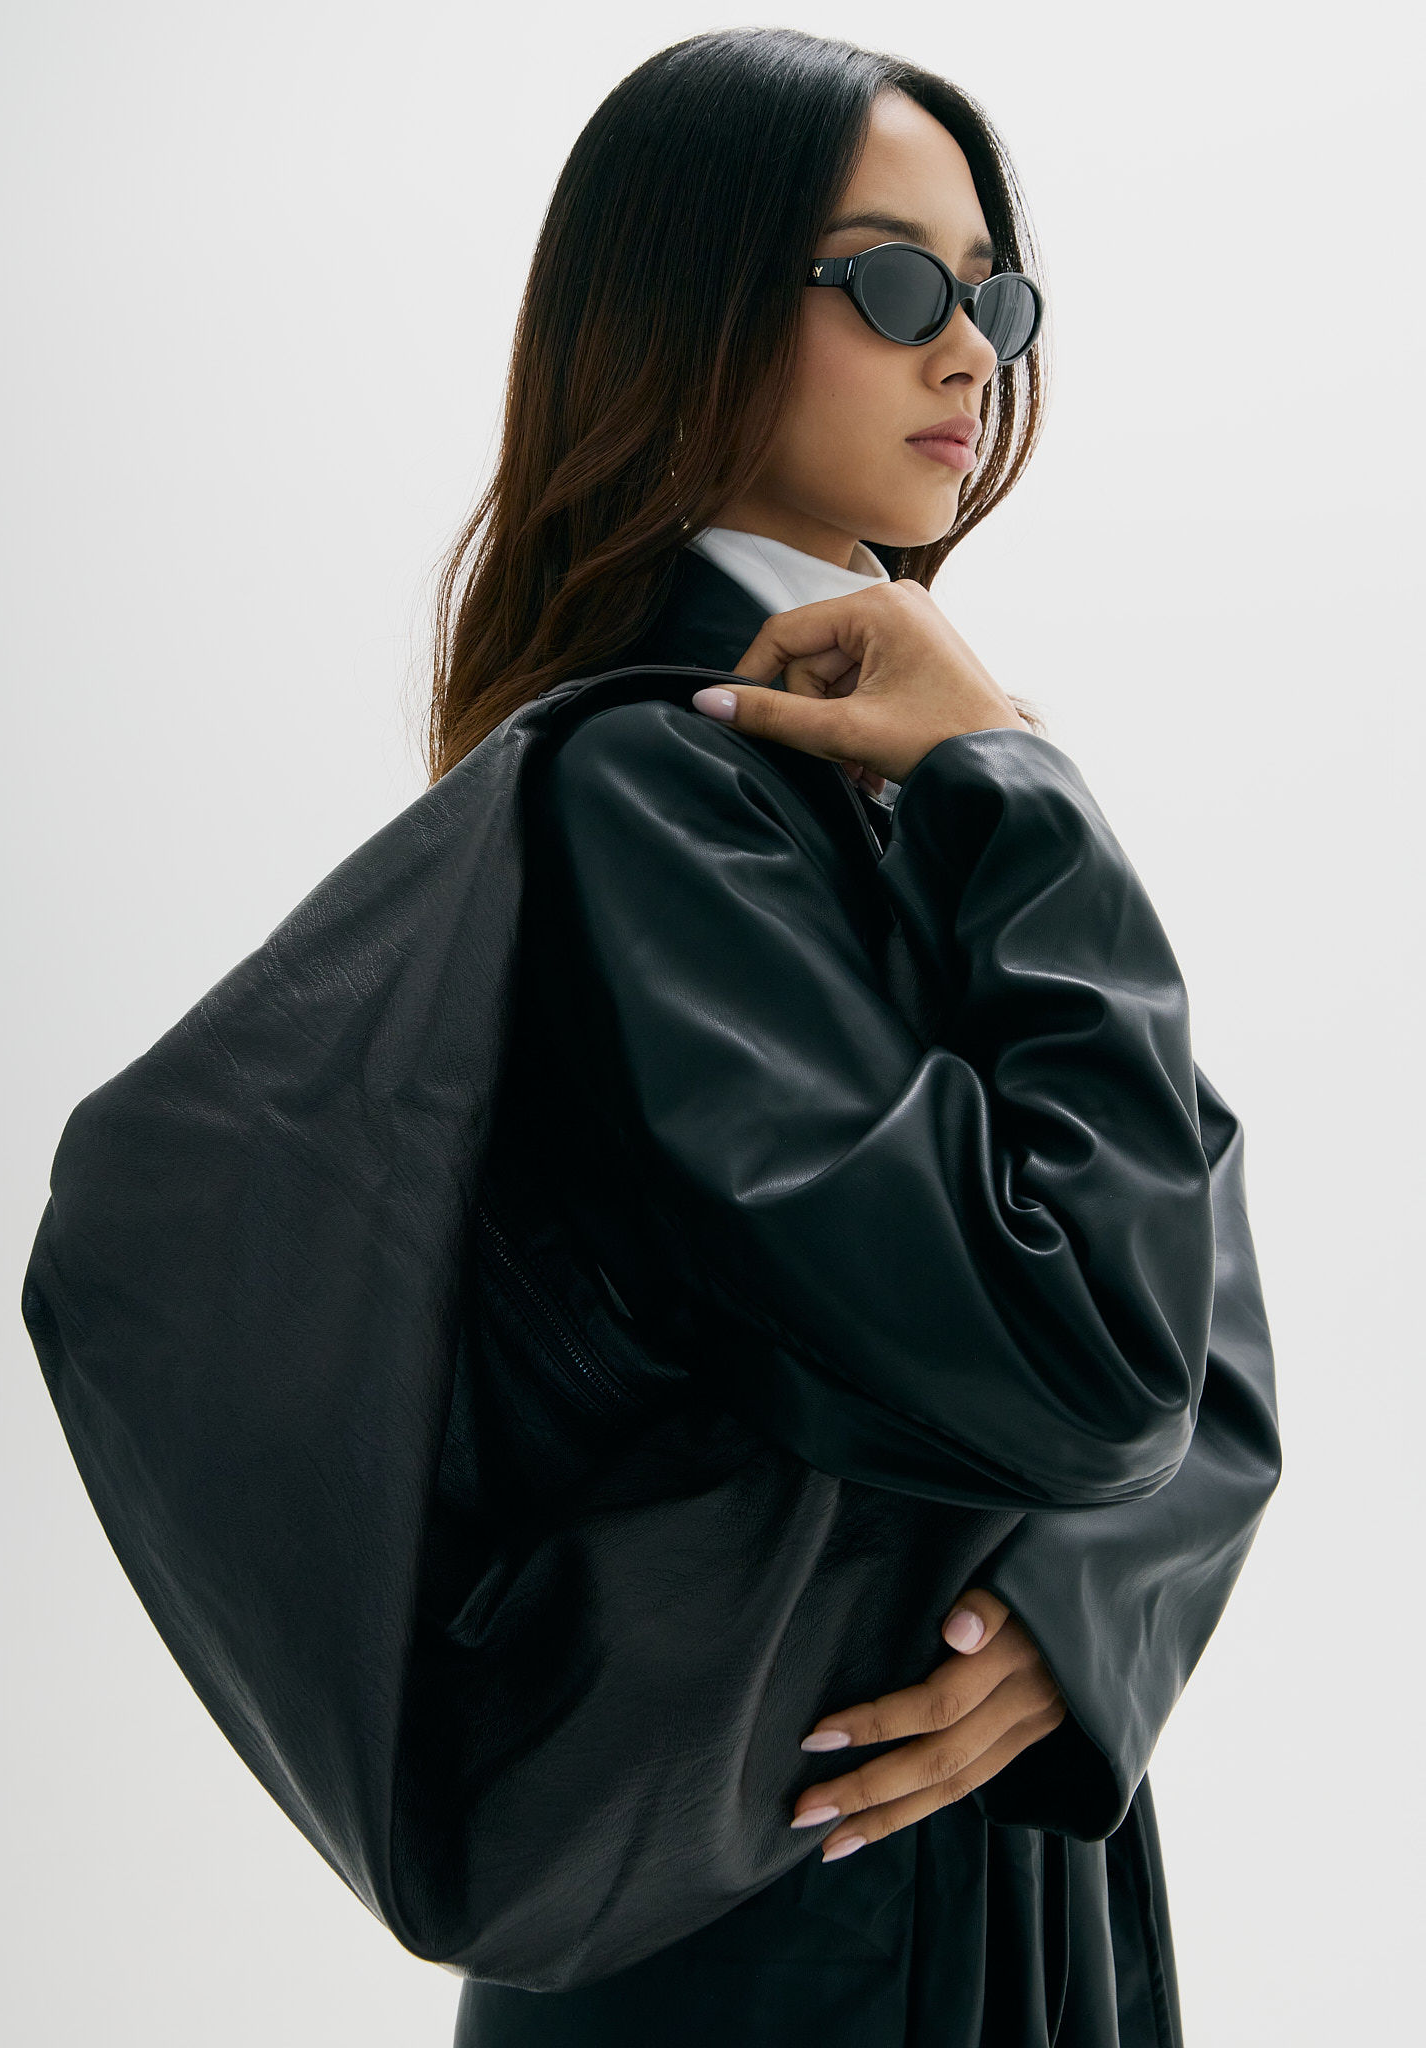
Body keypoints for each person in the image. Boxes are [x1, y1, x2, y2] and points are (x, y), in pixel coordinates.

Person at [443, 26, 1280, 2046]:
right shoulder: (648, 791)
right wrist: (1020, 779)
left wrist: (1075, 1625)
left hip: (970, 1845)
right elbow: (1095, 1359)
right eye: (892, 281)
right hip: (773, 1901)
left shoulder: (901, 764)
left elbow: (1209, 1335)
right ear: (692, 300)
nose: (967, 350)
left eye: (992, 294)